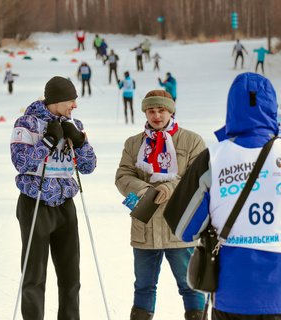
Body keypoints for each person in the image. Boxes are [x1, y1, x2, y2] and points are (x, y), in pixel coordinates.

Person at [164, 72, 281, 320]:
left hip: (233, 298)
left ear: (231, 109)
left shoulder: (212, 158)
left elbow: (183, 227)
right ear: (271, 108)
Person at [10, 76, 97, 320]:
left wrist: (80, 143)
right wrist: (47, 142)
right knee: (34, 277)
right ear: (57, 100)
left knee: (71, 277)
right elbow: (21, 162)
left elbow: (89, 166)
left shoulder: (75, 124)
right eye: (71, 100)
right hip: (35, 201)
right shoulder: (26, 123)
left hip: (65, 204)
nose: (75, 106)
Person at [115, 89, 206, 320]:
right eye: (151, 110)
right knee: (144, 287)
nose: (156, 116)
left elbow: (199, 177)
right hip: (145, 228)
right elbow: (123, 176)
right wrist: (144, 190)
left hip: (180, 226)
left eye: (161, 110)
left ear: (171, 111)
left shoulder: (191, 140)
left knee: (190, 285)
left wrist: (169, 187)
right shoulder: (134, 143)